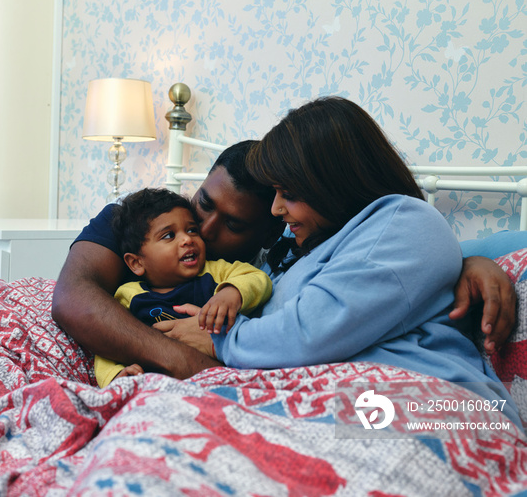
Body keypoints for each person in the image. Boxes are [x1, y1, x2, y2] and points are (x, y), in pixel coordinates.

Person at [52, 141, 516, 381]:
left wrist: (471, 260)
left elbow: (384, 271)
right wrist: (185, 363)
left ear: (274, 225)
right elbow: (72, 300)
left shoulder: (276, 259)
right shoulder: (135, 218)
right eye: (204, 204)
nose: (204, 233)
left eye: (232, 225)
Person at [183, 96, 519, 423]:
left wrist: (221, 339)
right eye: (275, 193)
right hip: (342, 401)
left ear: (334, 186)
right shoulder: (294, 245)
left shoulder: (406, 221)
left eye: (290, 194)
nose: (276, 209)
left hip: (425, 401)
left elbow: (311, 332)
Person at [94, 188, 272, 387]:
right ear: (137, 263)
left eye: (191, 230)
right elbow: (110, 341)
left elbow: (257, 277)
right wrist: (115, 374)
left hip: (213, 379)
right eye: (169, 235)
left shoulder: (215, 271)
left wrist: (232, 292)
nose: (187, 239)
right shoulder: (129, 296)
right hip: (155, 385)